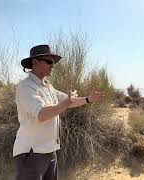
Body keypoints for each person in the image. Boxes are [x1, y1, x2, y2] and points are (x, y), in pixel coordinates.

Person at [13, 44, 104, 180]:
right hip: (33, 152)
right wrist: (66, 102)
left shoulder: (47, 86)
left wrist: (88, 99)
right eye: (49, 61)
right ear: (35, 62)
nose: (53, 65)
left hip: (50, 151)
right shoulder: (26, 87)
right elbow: (42, 115)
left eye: (53, 62)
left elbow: (67, 100)